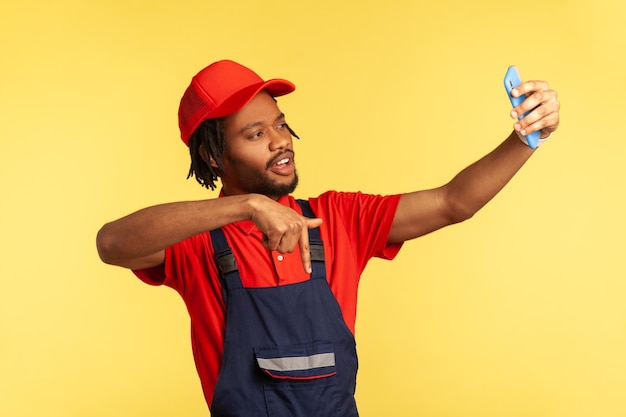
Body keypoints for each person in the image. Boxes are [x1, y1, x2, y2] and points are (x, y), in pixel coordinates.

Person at [96, 59, 560, 417]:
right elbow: (111, 244)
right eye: (256, 133)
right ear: (213, 156)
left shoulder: (339, 218)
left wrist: (526, 137)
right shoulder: (196, 240)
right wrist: (247, 206)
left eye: (280, 123)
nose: (280, 140)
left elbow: (451, 203)